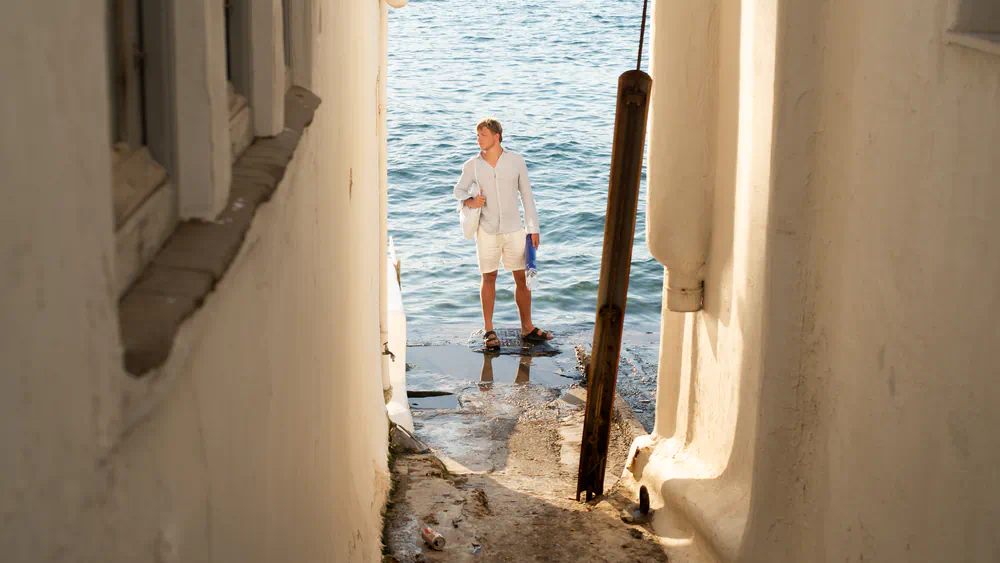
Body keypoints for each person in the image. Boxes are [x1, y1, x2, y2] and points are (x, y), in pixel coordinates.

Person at [454, 118, 554, 350]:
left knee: (522, 278)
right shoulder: (473, 165)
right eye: (477, 135)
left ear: (496, 136)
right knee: (489, 277)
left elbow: (526, 196)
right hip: (486, 231)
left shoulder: (516, 161)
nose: (478, 139)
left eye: (483, 135)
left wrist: (533, 228)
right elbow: (458, 190)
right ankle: (489, 330)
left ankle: (527, 328)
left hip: (514, 230)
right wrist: (471, 200)